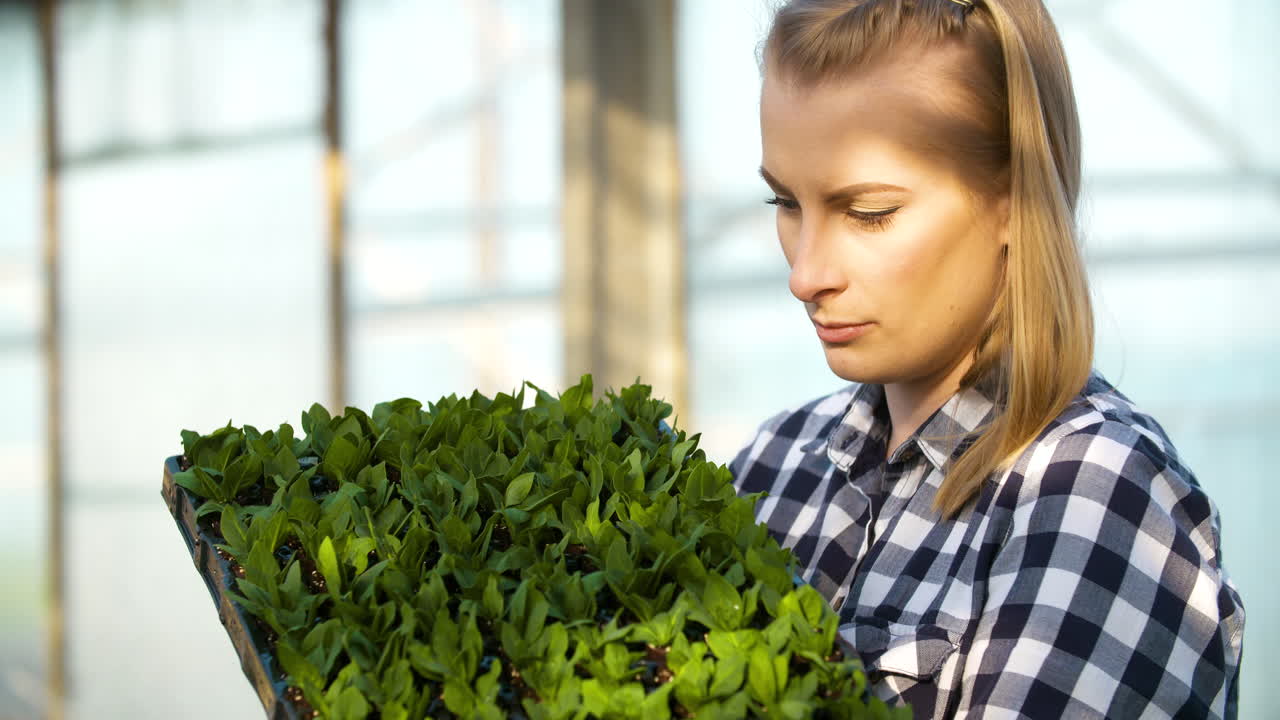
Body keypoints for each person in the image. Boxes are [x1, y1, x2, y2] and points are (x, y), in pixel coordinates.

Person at [727, 0, 1245, 717]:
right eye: (785, 201)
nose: (805, 274)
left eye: (868, 211)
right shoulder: (770, 469)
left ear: (1013, 198)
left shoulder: (1091, 493)